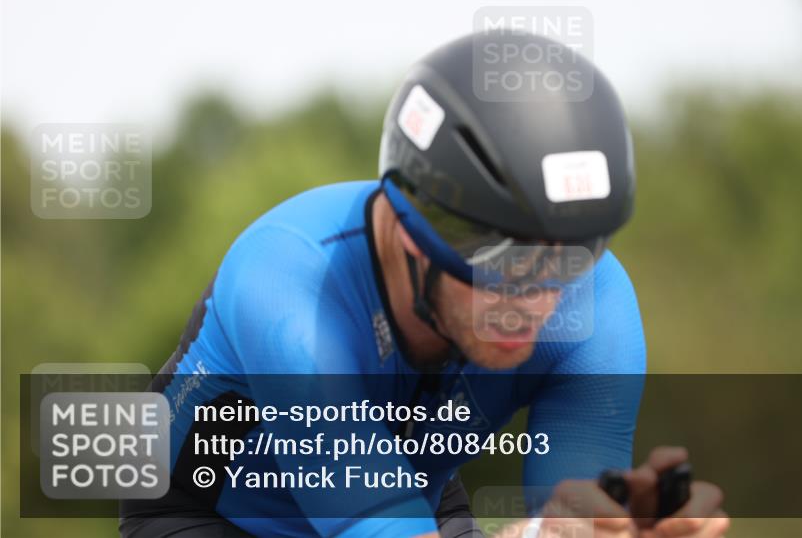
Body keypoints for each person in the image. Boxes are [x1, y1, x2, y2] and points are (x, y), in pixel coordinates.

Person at [120, 32, 729, 537]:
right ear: (416, 232)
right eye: (506, 264)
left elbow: (570, 519)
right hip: (207, 517)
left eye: (574, 256)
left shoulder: (595, 304)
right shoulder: (289, 279)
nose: (538, 300)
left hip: (410, 495)